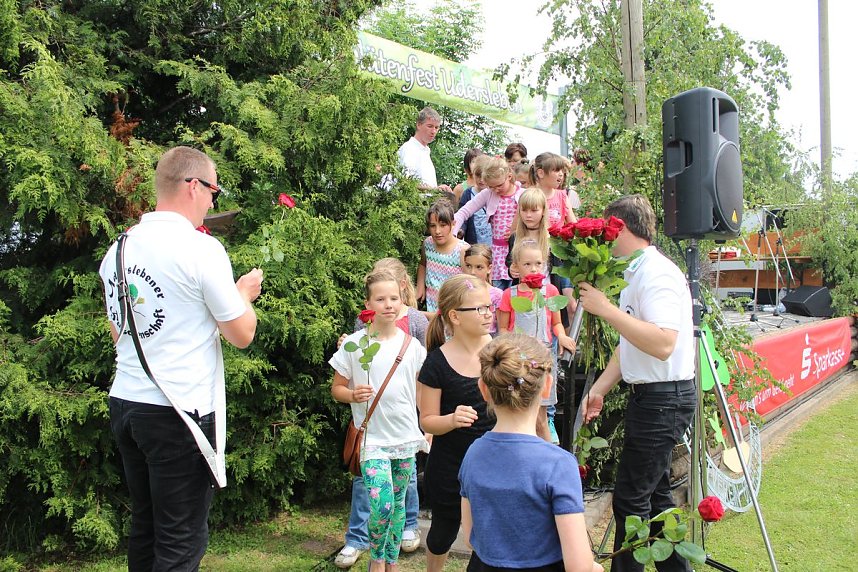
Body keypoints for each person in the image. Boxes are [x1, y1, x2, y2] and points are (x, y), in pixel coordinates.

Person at [99, 146, 263, 570]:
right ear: (193, 186)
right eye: (213, 190)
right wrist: (244, 296)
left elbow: (122, 333)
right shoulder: (201, 250)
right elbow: (242, 334)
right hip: (178, 411)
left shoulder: (117, 250)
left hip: (127, 403)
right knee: (180, 542)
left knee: (147, 527)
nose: (213, 201)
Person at [578, 194, 696, 572]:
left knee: (631, 501)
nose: (602, 238)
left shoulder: (656, 273)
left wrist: (607, 309)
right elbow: (632, 342)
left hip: (664, 398)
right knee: (656, 498)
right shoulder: (635, 272)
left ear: (621, 228)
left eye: (606, 229)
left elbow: (662, 342)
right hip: (652, 397)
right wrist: (599, 388)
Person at [459, 333, 601, 572]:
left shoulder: (474, 453)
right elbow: (579, 566)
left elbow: (470, 536)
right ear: (548, 386)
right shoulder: (559, 465)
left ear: (483, 389)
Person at [330, 270, 428, 572]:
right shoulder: (355, 344)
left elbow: (422, 394)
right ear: (368, 303)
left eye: (394, 298)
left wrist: (428, 428)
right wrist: (352, 394)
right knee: (382, 504)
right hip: (371, 440)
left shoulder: (413, 346)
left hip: (404, 438)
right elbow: (336, 390)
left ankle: (391, 562)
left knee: (399, 505)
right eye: (381, 298)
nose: (389, 304)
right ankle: (376, 558)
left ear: (402, 301)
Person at [418, 275, 495, 572]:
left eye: (489, 306)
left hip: (493, 464)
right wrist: (450, 420)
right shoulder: (437, 362)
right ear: (454, 317)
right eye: (479, 309)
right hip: (450, 466)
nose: (489, 313)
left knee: (487, 534)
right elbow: (428, 421)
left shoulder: (501, 354)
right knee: (443, 532)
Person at [498, 239, 575, 442]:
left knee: (541, 416)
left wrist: (563, 336)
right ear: (515, 267)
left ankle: (548, 454)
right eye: (527, 264)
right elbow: (503, 329)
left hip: (544, 359)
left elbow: (556, 323)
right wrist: (517, 345)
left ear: (545, 264)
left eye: (538, 263)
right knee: (520, 412)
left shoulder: (550, 292)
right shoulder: (509, 295)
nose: (534, 269)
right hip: (519, 361)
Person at [452, 157, 524, 290]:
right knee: (496, 292)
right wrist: (453, 231)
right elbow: (464, 212)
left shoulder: (523, 194)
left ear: (509, 176)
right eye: (491, 186)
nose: (496, 190)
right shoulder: (488, 194)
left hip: (518, 253)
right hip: (497, 254)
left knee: (517, 294)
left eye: (499, 185)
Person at [417, 199, 469, 315]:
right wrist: (420, 286)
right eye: (433, 226)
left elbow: (470, 281)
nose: (437, 231)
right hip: (431, 308)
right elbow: (422, 264)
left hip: (454, 310)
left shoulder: (462, 250)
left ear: (453, 223)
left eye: (443, 225)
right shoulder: (428, 244)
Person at [397, 106, 453, 194]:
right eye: (430, 126)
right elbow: (406, 183)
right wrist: (435, 189)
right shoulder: (410, 149)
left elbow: (425, 184)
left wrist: (438, 188)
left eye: (436, 127)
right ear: (418, 125)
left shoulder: (425, 151)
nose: (433, 131)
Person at [461, 244, 503, 336]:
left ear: (489, 268)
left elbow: (501, 327)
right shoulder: (460, 290)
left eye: (479, 267)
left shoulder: (497, 295)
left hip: (489, 339)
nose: (472, 272)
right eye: (468, 266)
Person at [530, 152, 578, 227]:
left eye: (562, 170)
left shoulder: (562, 196)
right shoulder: (528, 196)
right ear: (541, 173)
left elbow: (574, 226)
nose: (561, 174)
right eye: (556, 170)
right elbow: (517, 229)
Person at [456, 150, 492, 247]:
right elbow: (463, 216)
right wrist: (460, 229)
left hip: (495, 245)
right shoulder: (468, 194)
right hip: (474, 245)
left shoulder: (495, 193)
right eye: (477, 175)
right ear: (472, 174)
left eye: (484, 176)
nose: (481, 180)